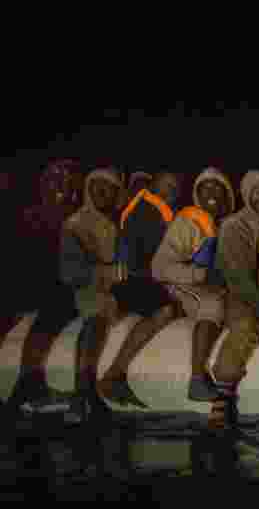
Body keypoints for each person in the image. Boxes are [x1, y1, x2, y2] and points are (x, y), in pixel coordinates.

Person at [96, 171, 183, 408]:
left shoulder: (148, 207)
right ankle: (113, 376)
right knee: (165, 310)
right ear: (154, 185)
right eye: (167, 185)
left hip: (132, 280)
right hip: (137, 279)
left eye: (175, 187)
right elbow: (149, 256)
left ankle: (111, 376)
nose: (171, 191)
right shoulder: (148, 210)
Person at [150, 167, 236, 402]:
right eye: (206, 187)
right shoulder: (188, 221)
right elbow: (158, 267)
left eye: (218, 188)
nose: (212, 193)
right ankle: (197, 379)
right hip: (179, 284)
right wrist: (200, 276)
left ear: (227, 197)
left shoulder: (225, 225)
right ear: (197, 194)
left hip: (202, 285)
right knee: (212, 303)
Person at [206, 170, 259, 426]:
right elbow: (239, 279)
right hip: (240, 293)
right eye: (258, 190)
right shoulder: (233, 225)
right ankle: (223, 393)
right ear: (246, 193)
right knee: (246, 326)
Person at [6, 160, 83, 414]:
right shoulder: (31, 215)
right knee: (52, 305)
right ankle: (28, 385)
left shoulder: (75, 215)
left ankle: (29, 384)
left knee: (58, 304)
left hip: (55, 287)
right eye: (56, 181)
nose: (63, 187)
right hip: (30, 286)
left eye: (68, 182)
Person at [57, 167, 125, 419]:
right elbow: (69, 273)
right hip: (78, 291)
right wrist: (106, 273)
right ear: (88, 189)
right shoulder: (75, 224)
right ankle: (82, 392)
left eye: (108, 188)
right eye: (96, 186)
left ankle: (87, 393)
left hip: (105, 291)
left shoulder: (112, 225)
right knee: (96, 318)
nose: (101, 192)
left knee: (103, 310)